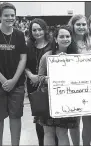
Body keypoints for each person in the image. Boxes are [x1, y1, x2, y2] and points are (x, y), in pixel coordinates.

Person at [0, 3, 27, 146]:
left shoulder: (20, 35)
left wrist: (13, 80)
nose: (10, 18)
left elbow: (23, 59)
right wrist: (3, 80)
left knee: (16, 117)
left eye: (12, 15)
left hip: (17, 84)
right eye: (6, 15)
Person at [38, 25, 80, 146]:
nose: (65, 39)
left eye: (67, 36)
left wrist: (67, 64)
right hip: (49, 99)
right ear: (55, 39)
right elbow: (40, 78)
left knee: (62, 133)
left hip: (67, 100)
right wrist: (52, 78)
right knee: (48, 133)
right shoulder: (47, 56)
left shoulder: (76, 57)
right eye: (61, 36)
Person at [24, 18, 56, 146]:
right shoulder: (28, 46)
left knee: (53, 119)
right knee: (39, 118)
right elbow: (23, 64)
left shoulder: (53, 44)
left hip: (50, 85)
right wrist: (31, 76)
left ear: (45, 29)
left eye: (40, 29)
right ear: (31, 32)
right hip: (33, 85)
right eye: (34, 30)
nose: (37, 32)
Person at [68, 14, 91, 146]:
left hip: (88, 86)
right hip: (71, 86)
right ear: (72, 26)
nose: (81, 27)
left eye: (84, 24)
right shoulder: (66, 41)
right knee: (74, 121)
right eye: (78, 24)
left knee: (88, 121)